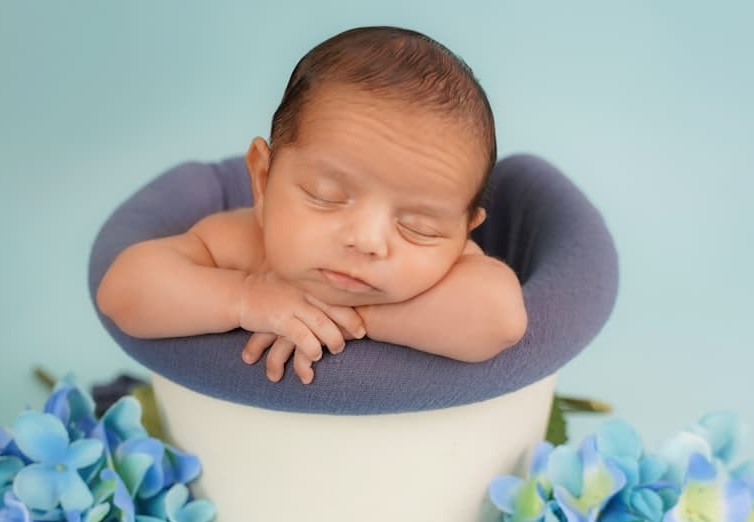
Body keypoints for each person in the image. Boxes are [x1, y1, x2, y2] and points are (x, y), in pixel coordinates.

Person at [97, 26, 527, 385]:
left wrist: (340, 316)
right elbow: (123, 292)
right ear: (263, 181)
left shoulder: (454, 271)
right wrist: (244, 298)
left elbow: (500, 320)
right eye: (326, 196)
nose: (366, 241)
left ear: (464, 230)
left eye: (419, 227)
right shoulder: (236, 242)